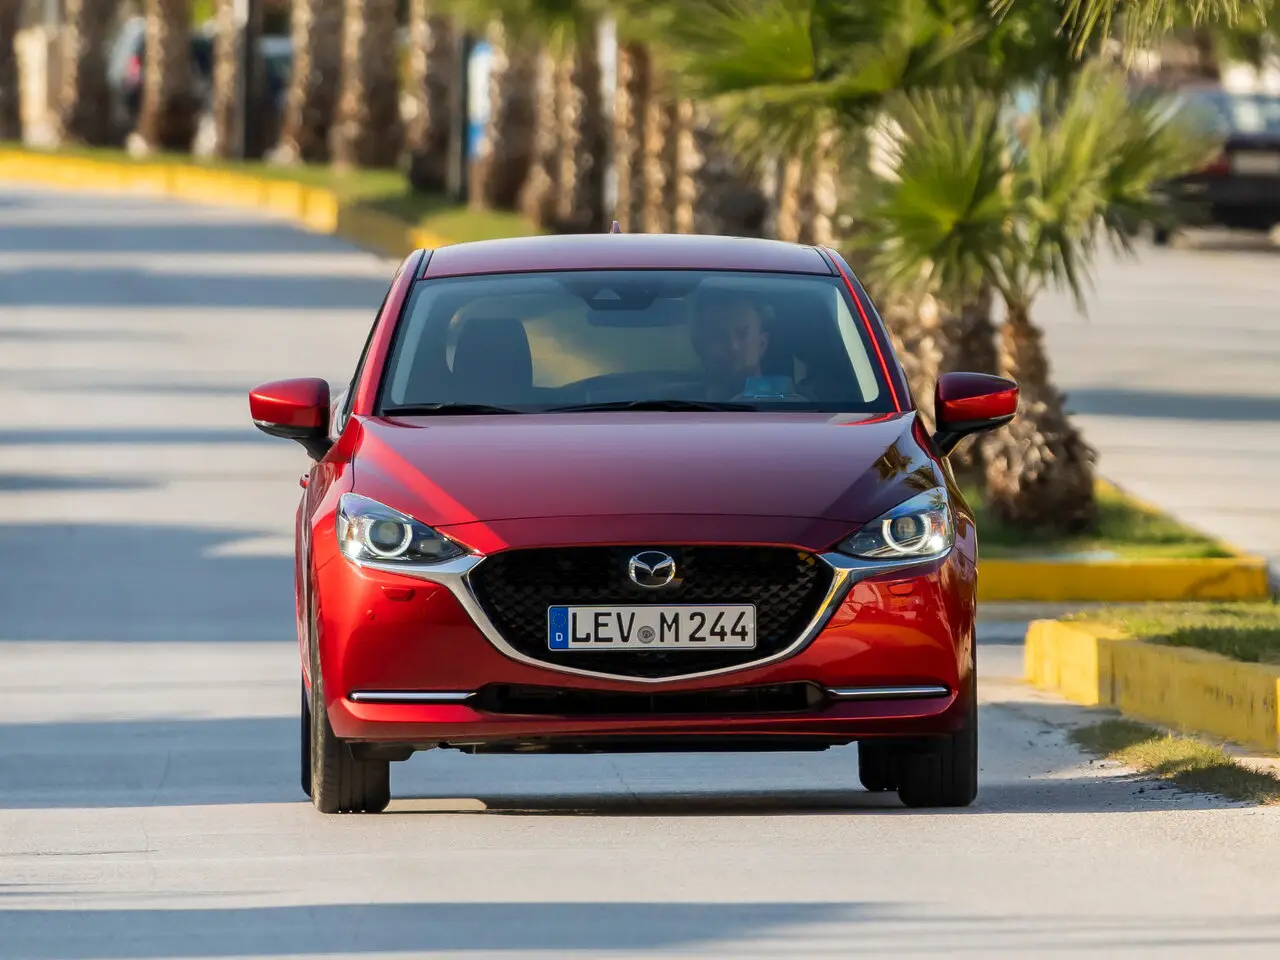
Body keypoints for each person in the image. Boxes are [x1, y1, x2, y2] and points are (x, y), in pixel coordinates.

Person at [689, 289, 773, 400]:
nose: (734, 347)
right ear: (698, 345)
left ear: (762, 343)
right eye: (719, 336)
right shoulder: (673, 404)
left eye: (743, 334)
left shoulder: (789, 405)